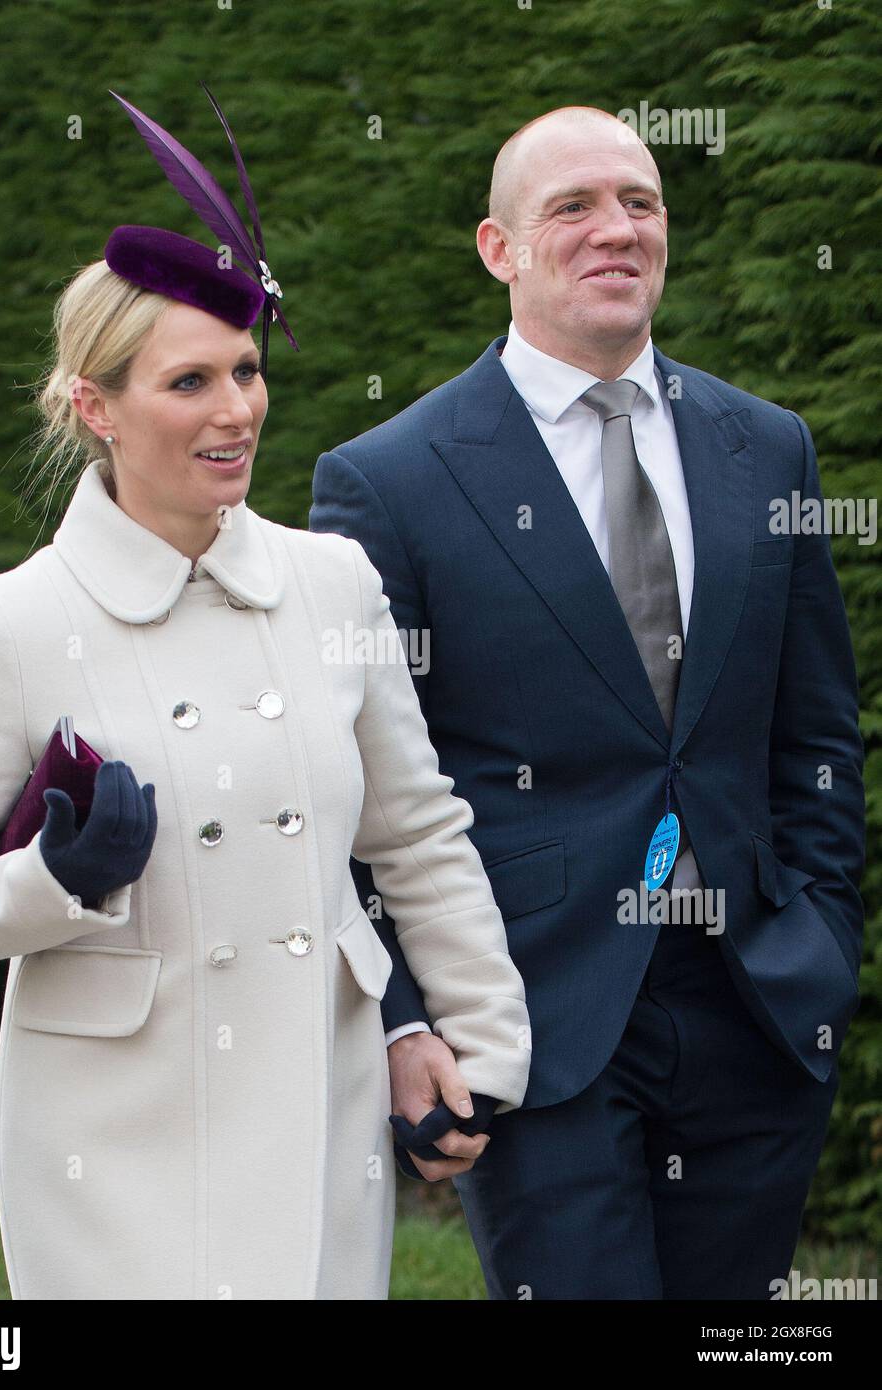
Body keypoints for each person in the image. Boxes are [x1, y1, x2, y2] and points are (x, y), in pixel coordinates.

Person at [0, 91, 531, 1300]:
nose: (236, 410)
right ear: (96, 407)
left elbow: (419, 837)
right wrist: (49, 879)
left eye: (245, 369)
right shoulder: (12, 621)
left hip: (315, 1109)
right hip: (107, 1143)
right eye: (189, 382)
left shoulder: (330, 581)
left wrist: (480, 1046)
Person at [310, 105, 865, 1298]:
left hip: (754, 1006)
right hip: (530, 1012)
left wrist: (819, 939)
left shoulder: (766, 450)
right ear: (496, 248)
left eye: (639, 202)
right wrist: (406, 1020)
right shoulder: (390, 481)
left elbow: (813, 729)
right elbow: (350, 787)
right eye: (571, 206)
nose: (615, 228)